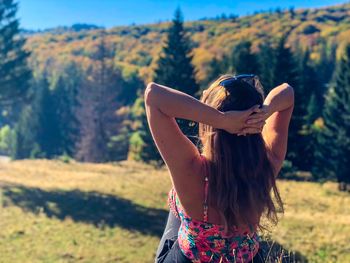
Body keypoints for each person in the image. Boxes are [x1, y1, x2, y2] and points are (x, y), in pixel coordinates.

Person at [145, 74, 294, 263]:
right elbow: (288, 93)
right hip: (247, 258)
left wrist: (221, 120)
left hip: (190, 258)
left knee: (177, 204)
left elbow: (154, 95)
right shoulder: (268, 164)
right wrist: (264, 111)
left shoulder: (191, 171)